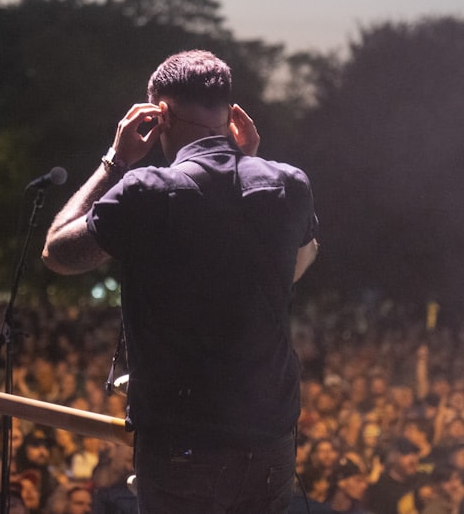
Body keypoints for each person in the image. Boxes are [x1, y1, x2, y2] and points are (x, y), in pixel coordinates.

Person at [42, 49, 319, 513]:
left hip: (182, 443)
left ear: (159, 116)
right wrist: (246, 162)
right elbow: (293, 264)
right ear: (232, 115)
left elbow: (58, 253)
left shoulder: (146, 191)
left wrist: (115, 160)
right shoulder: (288, 185)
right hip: (269, 439)